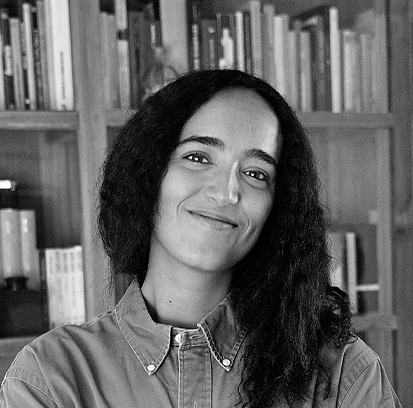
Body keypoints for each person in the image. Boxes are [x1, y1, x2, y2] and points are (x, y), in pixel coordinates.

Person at [0, 69, 401, 408]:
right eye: (197, 157)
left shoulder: (343, 374)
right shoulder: (50, 378)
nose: (227, 192)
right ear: (149, 172)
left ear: (278, 207)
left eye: (256, 173)